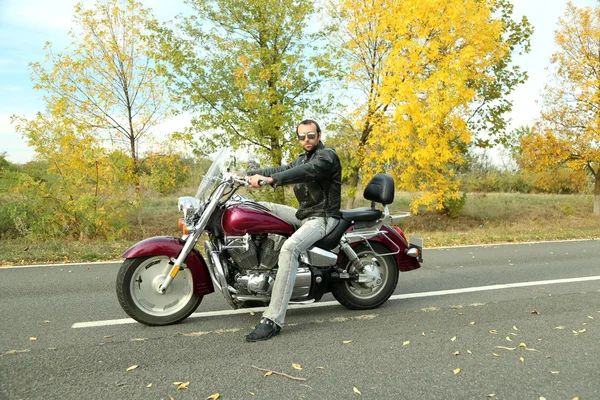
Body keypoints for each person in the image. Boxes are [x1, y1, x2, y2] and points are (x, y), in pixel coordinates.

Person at [244, 119, 342, 342]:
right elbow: (283, 169)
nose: (306, 140)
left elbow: (308, 172)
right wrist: (249, 174)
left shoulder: (327, 156)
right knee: (259, 208)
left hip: (323, 217)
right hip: (304, 215)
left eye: (310, 135)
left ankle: (273, 319)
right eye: (302, 136)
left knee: (289, 249)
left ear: (318, 135)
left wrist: (271, 180)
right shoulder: (301, 158)